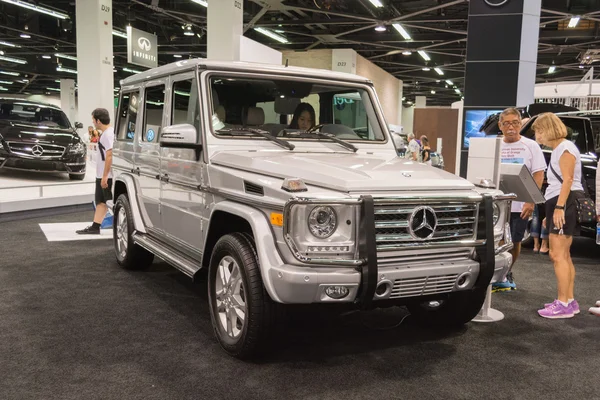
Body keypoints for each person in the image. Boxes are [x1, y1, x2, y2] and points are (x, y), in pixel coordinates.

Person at [534, 112, 583, 318]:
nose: (537, 135)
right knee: (564, 255)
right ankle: (569, 301)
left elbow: (568, 179)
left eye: (538, 130)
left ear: (547, 129)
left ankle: (563, 304)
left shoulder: (564, 148)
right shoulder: (560, 148)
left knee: (558, 255)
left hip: (565, 200)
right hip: (560, 200)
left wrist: (560, 207)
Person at [493, 108, 546, 292]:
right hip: (497, 205)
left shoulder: (531, 146)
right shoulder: (495, 146)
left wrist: (530, 201)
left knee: (515, 241)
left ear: (520, 124)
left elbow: (538, 175)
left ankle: (507, 271)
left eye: (515, 122)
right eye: (506, 123)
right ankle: (495, 273)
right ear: (500, 125)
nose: (511, 127)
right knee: (496, 240)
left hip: (520, 204)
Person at [77, 108, 114, 235]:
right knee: (101, 202)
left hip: (106, 176)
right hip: (102, 175)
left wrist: (105, 177)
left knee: (108, 202)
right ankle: (95, 226)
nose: (92, 122)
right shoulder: (107, 133)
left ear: (98, 120)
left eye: (93, 119)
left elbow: (110, 155)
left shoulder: (108, 134)